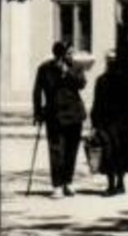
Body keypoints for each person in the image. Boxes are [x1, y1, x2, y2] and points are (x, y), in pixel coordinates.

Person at [33, 41, 88, 198]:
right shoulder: (45, 68)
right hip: (54, 115)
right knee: (56, 151)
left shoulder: (76, 67)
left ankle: (68, 182)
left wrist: (67, 73)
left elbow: (82, 84)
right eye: (68, 53)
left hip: (74, 115)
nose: (71, 56)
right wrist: (37, 112)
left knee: (71, 151)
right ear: (59, 54)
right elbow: (37, 91)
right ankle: (57, 185)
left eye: (72, 53)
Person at [90, 46, 128, 195]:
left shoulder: (127, 80)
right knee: (109, 154)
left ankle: (120, 183)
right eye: (109, 60)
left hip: (125, 123)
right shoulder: (102, 80)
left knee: (122, 153)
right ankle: (111, 185)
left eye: (114, 60)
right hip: (108, 123)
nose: (112, 63)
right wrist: (94, 124)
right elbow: (97, 103)